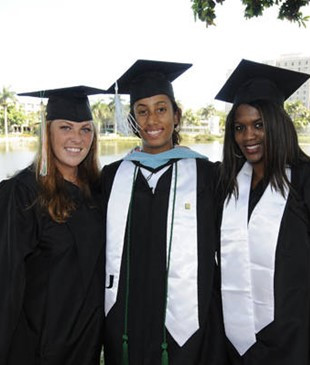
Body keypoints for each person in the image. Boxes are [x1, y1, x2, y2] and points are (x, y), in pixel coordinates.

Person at [215, 60, 310, 365]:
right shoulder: (228, 186)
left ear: (278, 122)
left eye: (259, 124)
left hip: (300, 344)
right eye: (240, 127)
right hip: (237, 346)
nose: (249, 136)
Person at [0, 86, 106, 365]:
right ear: (47, 132)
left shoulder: (99, 192)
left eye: (85, 129)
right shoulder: (20, 195)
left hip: (84, 347)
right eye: (65, 127)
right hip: (37, 349)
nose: (77, 138)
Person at [102, 59, 227, 365]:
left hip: (189, 321)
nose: (152, 119)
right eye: (142, 111)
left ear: (176, 116)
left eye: (161, 108)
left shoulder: (208, 175)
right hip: (126, 320)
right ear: (133, 119)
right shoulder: (111, 177)